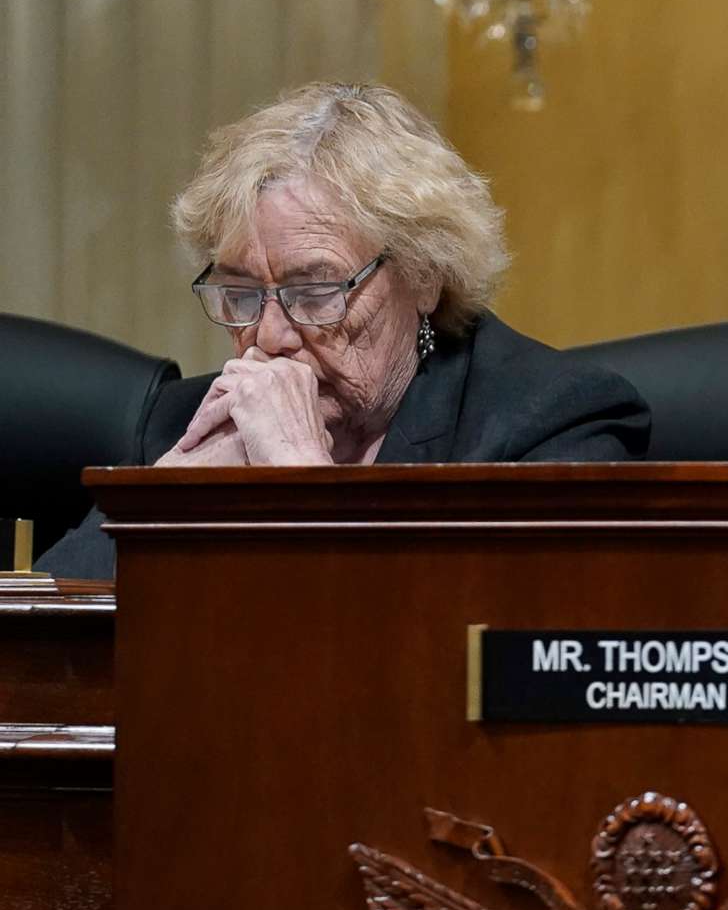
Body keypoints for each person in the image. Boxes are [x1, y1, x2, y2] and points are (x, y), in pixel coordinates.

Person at [39, 82, 649, 578]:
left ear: (424, 276)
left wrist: (304, 485)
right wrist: (161, 509)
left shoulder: (546, 427)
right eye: (243, 294)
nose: (270, 337)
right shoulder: (183, 425)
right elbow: (37, 650)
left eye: (315, 290)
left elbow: (507, 674)